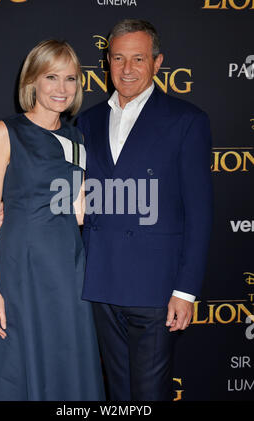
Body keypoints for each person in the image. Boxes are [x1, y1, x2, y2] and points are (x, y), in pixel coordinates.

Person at [0, 39, 105, 401]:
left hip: (68, 269)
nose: (61, 89)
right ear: (32, 82)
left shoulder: (77, 138)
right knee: (14, 367)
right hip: (19, 270)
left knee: (65, 361)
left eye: (70, 79)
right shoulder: (5, 132)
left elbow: (79, 209)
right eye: (51, 77)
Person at [77, 19, 213, 401]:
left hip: (157, 288)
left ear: (157, 62)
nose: (126, 69)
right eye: (118, 58)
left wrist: (185, 291)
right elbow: (75, 194)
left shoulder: (187, 120)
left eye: (138, 58)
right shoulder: (87, 121)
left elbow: (199, 213)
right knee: (118, 393)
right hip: (101, 284)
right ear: (106, 61)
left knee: (149, 394)